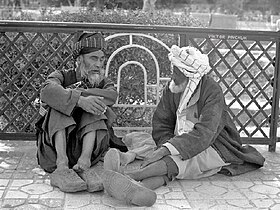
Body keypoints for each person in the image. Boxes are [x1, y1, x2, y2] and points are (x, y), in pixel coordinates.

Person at [104, 45, 265, 190]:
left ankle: (130, 178)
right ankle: (139, 189)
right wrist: (165, 146)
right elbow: (161, 123)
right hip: (178, 140)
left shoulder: (212, 91)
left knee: (180, 161)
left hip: (213, 145)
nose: (172, 75)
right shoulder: (173, 88)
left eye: (176, 71)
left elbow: (205, 133)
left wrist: (167, 150)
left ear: (189, 75)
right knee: (144, 141)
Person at [35, 32, 128, 193]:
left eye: (101, 59)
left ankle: (84, 162)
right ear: (79, 59)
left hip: (90, 152)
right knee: (60, 105)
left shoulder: (104, 81)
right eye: (93, 58)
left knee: (95, 105)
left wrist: (77, 96)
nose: (99, 64)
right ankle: (62, 166)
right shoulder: (61, 76)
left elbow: (111, 96)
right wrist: (78, 100)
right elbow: (47, 91)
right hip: (55, 152)